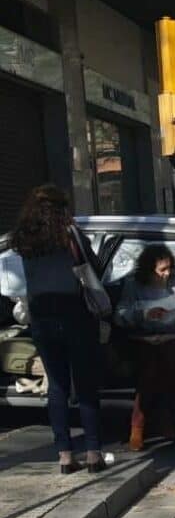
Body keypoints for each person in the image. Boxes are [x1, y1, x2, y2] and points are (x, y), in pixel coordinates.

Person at [11, 185, 109, 474]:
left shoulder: (24, 239)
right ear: (61, 209)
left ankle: (65, 456)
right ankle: (93, 453)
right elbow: (95, 266)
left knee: (57, 386)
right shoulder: (69, 235)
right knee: (86, 384)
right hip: (75, 315)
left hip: (42, 318)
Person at [115, 245, 175, 451]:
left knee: (169, 369)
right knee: (149, 372)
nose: (167, 274)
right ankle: (143, 424)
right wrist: (143, 314)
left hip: (173, 335)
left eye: (169, 268)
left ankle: (156, 419)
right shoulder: (133, 285)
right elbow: (120, 313)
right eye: (162, 270)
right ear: (149, 270)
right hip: (143, 335)